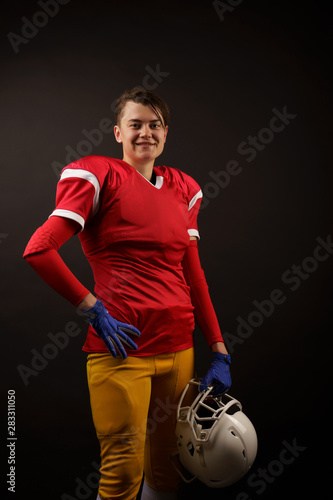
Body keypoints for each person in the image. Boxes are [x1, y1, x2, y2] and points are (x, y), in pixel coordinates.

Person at [23, 87, 231, 500]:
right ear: (118, 132)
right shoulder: (98, 175)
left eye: (154, 125)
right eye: (135, 124)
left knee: (168, 466)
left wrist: (219, 347)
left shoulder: (183, 187)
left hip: (178, 346)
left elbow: (194, 276)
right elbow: (38, 250)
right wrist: (92, 308)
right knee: (121, 471)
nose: (145, 133)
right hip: (121, 347)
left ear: (166, 133)